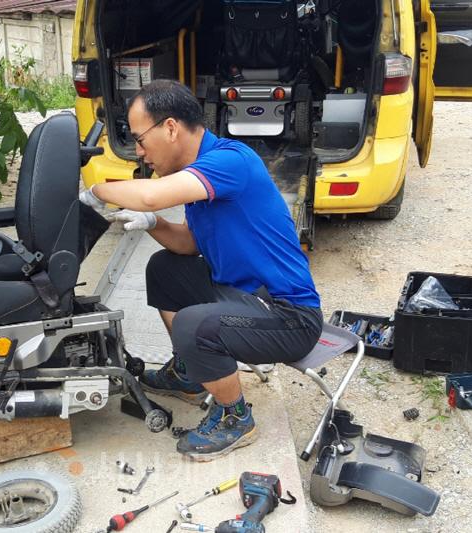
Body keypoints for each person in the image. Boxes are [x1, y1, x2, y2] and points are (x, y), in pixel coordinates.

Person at [79, 79, 322, 462]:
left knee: (194, 324)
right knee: (164, 268)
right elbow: (189, 244)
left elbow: (149, 194)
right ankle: (191, 375)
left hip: (287, 316)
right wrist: (153, 223)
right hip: (241, 297)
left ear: (171, 128)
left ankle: (235, 418)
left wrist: (95, 191)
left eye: (141, 139)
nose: (140, 153)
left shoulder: (230, 161)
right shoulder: (202, 172)